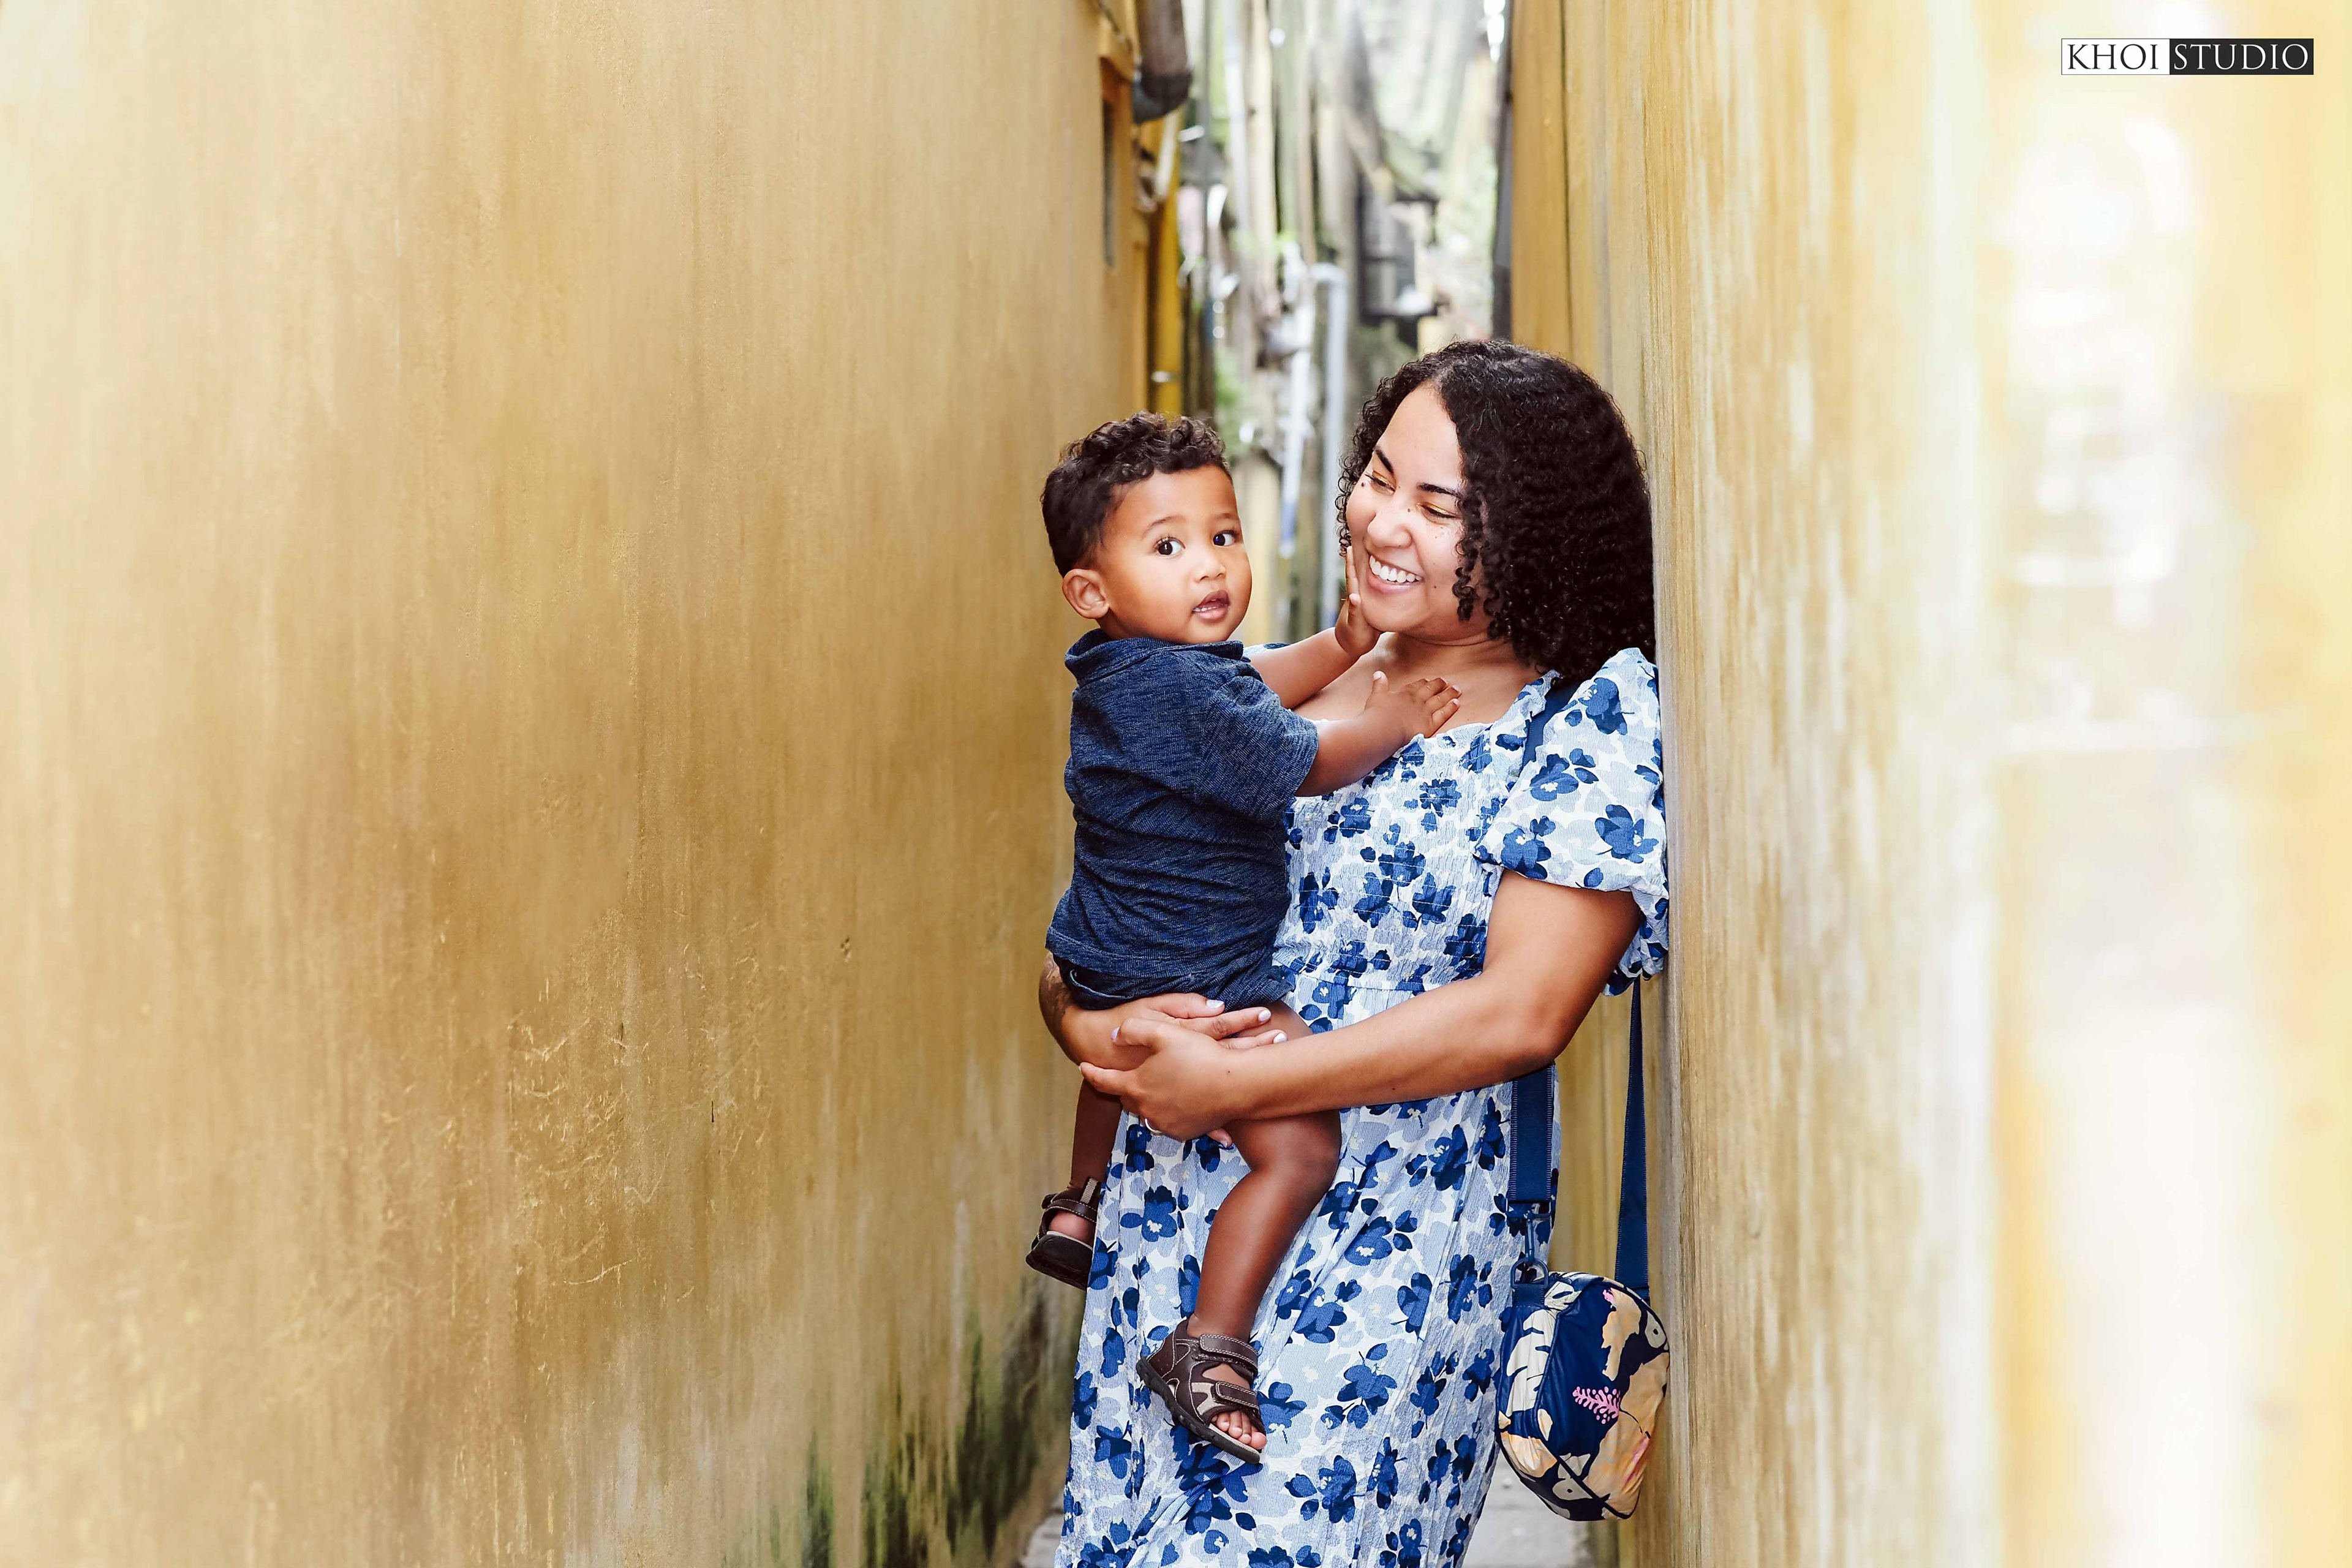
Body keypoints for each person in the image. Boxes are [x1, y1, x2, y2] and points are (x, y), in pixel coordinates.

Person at [1043, 342, 1668, 1567]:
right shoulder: (1242, 686)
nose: (1382, 520)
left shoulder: (1580, 723)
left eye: (1439, 507)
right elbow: (1105, 907)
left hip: (1383, 1243)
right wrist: (1085, 1025)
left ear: (1529, 534)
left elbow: (1523, 1012)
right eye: (1380, 475)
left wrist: (1236, 1086)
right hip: (1174, 1229)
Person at [1025, 413, 1464, 1461]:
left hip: (1104, 943)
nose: (1210, 567)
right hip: (1197, 968)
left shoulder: (1132, 670)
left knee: (1110, 1053)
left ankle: (1075, 1203)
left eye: (1223, 536)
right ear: (1092, 591)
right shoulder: (1183, 685)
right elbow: (1295, 758)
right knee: (1303, 1148)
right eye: (1169, 547)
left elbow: (1244, 690)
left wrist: (1344, 647)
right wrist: (1394, 718)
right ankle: (1212, 1344)